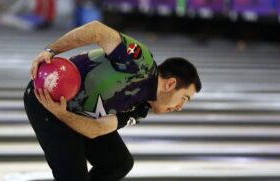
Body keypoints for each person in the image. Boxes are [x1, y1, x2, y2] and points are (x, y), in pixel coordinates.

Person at [23, 20, 202, 181]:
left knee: (118, 163)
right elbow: (97, 30)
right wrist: (50, 50)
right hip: (45, 101)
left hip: (69, 112)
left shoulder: (140, 109)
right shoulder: (140, 61)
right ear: (171, 84)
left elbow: (97, 129)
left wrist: (64, 115)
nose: (180, 107)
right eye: (184, 99)